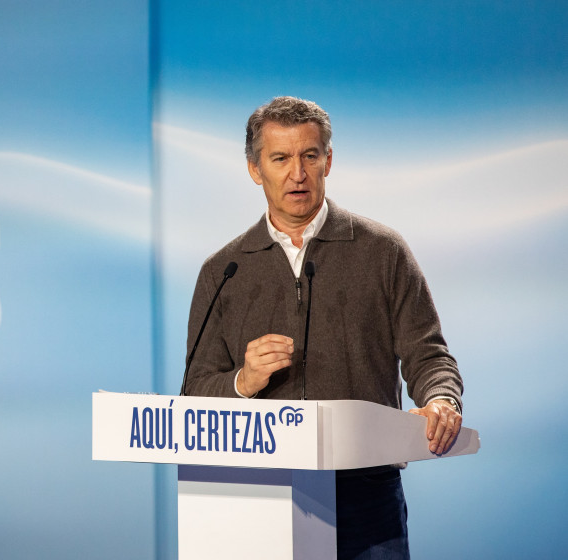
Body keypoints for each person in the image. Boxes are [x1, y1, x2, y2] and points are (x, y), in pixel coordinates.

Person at [183, 96, 464, 559]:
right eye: (280, 158)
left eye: (309, 156)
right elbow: (194, 391)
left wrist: (441, 399)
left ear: (328, 161)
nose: (298, 173)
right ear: (255, 169)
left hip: (366, 493)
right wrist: (243, 382)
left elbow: (429, 355)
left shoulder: (382, 250)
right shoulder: (224, 270)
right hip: (260, 491)